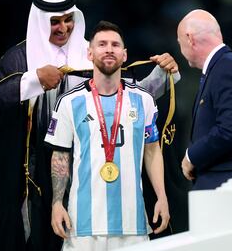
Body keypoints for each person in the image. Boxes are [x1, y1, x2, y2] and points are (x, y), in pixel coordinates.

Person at [0, 0, 179, 251]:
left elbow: (129, 98)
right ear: (39, 21)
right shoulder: (20, 59)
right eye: (54, 22)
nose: (63, 28)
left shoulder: (91, 53)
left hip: (89, 176)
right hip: (36, 177)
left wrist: (165, 75)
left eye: (68, 19)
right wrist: (34, 79)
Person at [44, 20, 170, 251]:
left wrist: (162, 196)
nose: (109, 49)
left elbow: (152, 150)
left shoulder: (144, 100)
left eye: (115, 44)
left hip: (133, 225)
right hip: (81, 225)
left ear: (124, 55)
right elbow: (60, 155)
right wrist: (56, 203)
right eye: (102, 44)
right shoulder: (69, 102)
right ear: (90, 53)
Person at [177, 9, 232, 190]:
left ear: (190, 38)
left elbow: (230, 128)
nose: (180, 48)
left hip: (227, 188)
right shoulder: (221, 68)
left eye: (179, 41)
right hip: (222, 187)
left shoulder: (227, 68)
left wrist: (192, 156)